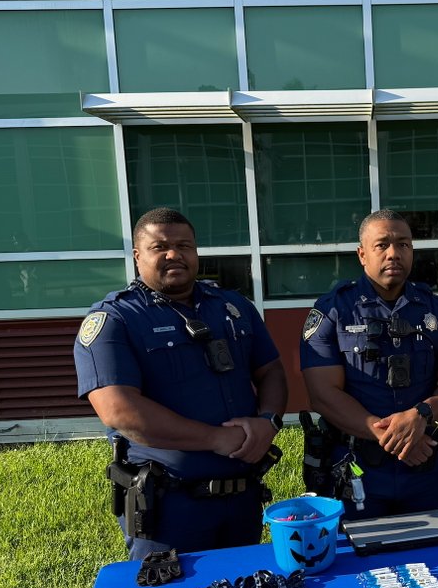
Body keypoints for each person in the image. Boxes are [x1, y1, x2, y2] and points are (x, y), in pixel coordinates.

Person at [74, 207, 287, 559]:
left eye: (184, 245)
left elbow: (272, 371)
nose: (174, 254)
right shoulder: (115, 319)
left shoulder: (233, 306)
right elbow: (118, 410)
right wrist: (215, 439)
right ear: (138, 256)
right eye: (160, 247)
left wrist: (268, 423)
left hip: (242, 497)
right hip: (169, 506)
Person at [300, 209, 438, 519]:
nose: (394, 253)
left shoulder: (436, 310)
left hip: (423, 466)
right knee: (359, 557)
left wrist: (422, 415)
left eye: (403, 244)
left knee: (428, 556)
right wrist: (390, 436)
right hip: (356, 468)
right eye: (382, 245)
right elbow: (323, 393)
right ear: (362, 254)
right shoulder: (333, 311)